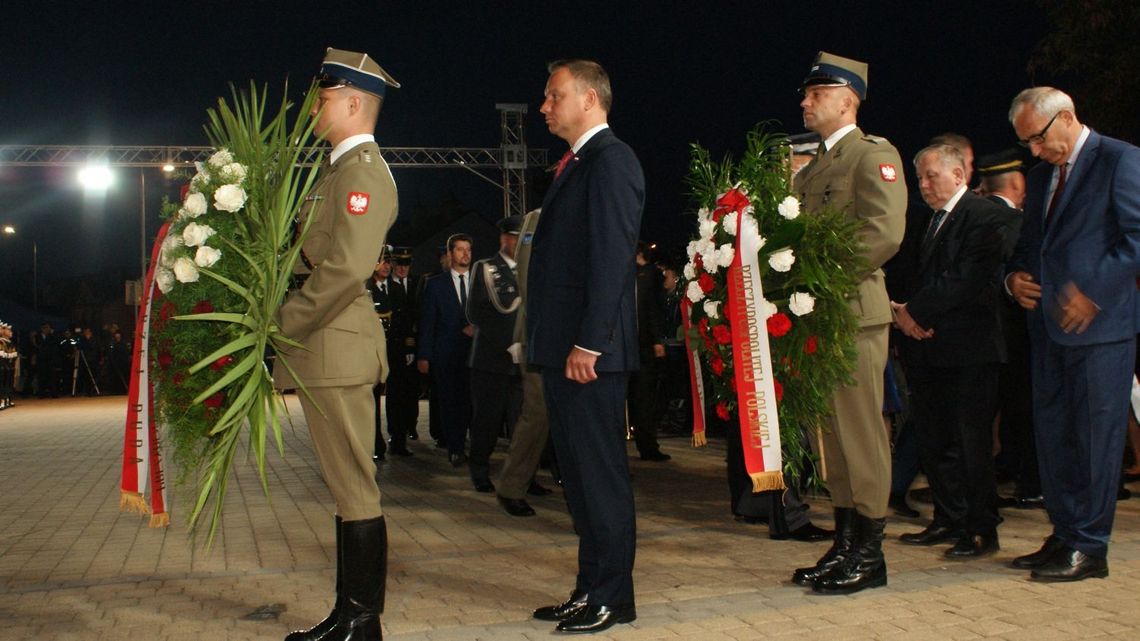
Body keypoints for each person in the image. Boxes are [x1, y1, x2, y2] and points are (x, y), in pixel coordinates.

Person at [272, 47, 400, 640]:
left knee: (354, 484)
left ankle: (361, 620)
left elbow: (344, 269)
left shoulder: (362, 174)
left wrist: (280, 327)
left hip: (338, 345)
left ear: (353, 103)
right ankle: (348, 613)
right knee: (345, 486)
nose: (313, 111)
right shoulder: (336, 171)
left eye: (322, 101)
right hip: (326, 347)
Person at [1004, 86, 1140, 581]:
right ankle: (1064, 534)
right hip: (1047, 330)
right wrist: (1013, 278)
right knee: (1055, 437)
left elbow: (1137, 238)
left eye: (1038, 139)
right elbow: (1029, 246)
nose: (1035, 152)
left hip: (1101, 331)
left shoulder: (1120, 161)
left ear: (1066, 117)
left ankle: (1090, 546)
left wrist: (1094, 293)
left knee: (1094, 441)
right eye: (1028, 145)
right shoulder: (1041, 178)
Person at [527, 59, 642, 633]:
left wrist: (591, 343)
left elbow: (611, 259)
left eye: (555, 95)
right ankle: (589, 586)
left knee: (599, 476)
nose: (545, 106)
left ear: (591, 98)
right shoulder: (577, 164)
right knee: (577, 476)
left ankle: (614, 595)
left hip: (588, 355)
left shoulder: (611, 160)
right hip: (563, 350)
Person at [790, 51, 906, 595]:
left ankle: (871, 554)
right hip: (818, 316)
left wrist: (814, 275)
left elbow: (883, 234)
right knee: (833, 438)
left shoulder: (872, 155)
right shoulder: (812, 167)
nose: (805, 101)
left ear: (847, 100)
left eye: (817, 93)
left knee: (861, 435)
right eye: (806, 93)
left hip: (853, 313)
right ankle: (845, 544)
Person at [891, 144, 1009, 559]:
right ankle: (947, 517)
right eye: (919, 178)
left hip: (969, 352)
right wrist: (904, 313)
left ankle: (981, 528)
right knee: (933, 439)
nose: (923, 185)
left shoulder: (984, 216)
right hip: (926, 350)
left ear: (959, 176)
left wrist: (912, 314)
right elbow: (914, 276)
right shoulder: (926, 221)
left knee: (970, 443)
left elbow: (968, 278)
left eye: (931, 176)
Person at [495, 208, 555, 517]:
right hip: (540, 334)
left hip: (573, 337)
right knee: (537, 413)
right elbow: (528, 278)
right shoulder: (536, 218)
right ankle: (511, 486)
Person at [466, 215, 524, 492]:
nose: (518, 242)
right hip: (491, 359)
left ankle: (524, 476)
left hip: (524, 361)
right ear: (504, 239)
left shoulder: (530, 268)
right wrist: (508, 343)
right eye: (514, 237)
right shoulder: (486, 268)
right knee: (487, 420)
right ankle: (479, 470)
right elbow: (476, 312)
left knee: (522, 423)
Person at [417, 234, 475, 466]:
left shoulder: (480, 282)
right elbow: (428, 322)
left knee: (473, 403)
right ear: (450, 254)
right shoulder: (435, 284)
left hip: (476, 354)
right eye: (460, 250)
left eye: (468, 250)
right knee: (451, 403)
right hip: (447, 355)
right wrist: (424, 355)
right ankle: (456, 448)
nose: (465, 254)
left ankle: (475, 447)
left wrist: (478, 327)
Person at [628, 241, 670, 461]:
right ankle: (645, 445)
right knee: (641, 398)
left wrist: (657, 339)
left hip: (641, 345)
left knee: (644, 398)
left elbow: (655, 308)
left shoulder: (650, 275)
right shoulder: (633, 274)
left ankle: (647, 445)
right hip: (634, 345)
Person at [384, 247, 419, 455]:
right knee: (395, 392)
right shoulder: (388, 287)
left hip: (410, 344)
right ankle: (396, 432)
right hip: (393, 346)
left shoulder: (416, 283)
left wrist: (412, 343)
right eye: (398, 264)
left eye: (406, 264)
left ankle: (410, 425)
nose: (402, 268)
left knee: (411, 389)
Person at [366, 247, 394, 462]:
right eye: (382, 261)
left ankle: (395, 439)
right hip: (371, 355)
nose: (386, 266)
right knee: (371, 403)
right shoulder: (365, 289)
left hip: (393, 352)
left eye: (388, 262)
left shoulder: (395, 289)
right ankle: (374, 443)